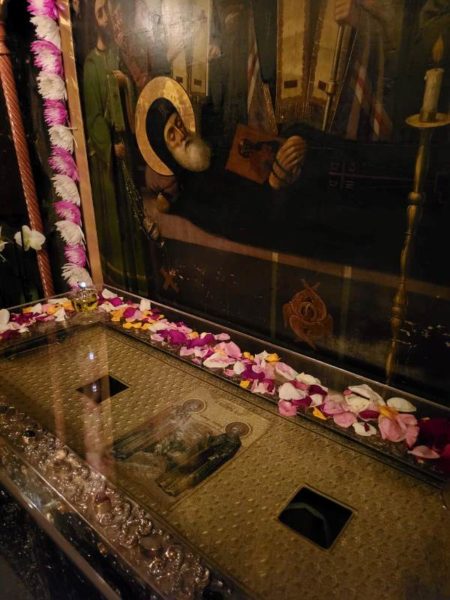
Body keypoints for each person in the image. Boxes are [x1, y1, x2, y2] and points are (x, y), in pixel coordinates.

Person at [83, 0, 149, 295]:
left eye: (107, 10)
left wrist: (125, 84)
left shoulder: (116, 54)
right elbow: (93, 117)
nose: (105, 17)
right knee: (116, 220)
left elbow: (131, 92)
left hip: (125, 147)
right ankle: (119, 285)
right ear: (93, 18)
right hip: (108, 157)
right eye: (99, 12)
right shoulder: (91, 64)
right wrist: (110, 147)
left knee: (133, 219)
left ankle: (139, 284)